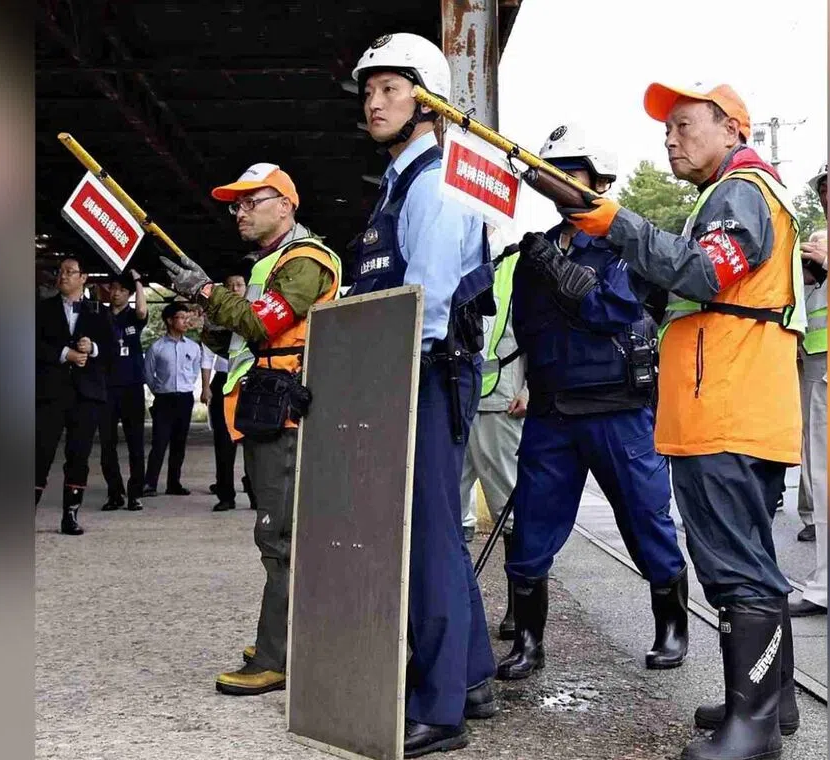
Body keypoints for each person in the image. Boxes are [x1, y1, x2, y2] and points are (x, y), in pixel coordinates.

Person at [560, 83, 807, 760]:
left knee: (733, 567)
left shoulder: (740, 193)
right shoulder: (746, 193)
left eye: (684, 125)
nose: (669, 138)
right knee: (752, 556)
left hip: (722, 406)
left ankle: (751, 729)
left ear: (731, 129)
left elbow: (702, 273)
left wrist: (613, 223)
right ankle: (767, 701)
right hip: (744, 401)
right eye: (666, 129)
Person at [346, 32, 498, 757]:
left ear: (428, 99)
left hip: (425, 371)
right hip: (411, 369)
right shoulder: (399, 181)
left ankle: (439, 709)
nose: (374, 101)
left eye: (390, 88)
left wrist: (381, 383)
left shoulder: (434, 181)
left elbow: (426, 305)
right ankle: (469, 676)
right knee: (432, 528)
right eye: (369, 91)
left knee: (428, 537)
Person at [499, 124, 689, 684]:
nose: (555, 181)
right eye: (549, 171)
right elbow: (526, 327)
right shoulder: (536, 249)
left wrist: (560, 274)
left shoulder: (628, 243)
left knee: (646, 517)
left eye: (569, 172)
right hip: (554, 412)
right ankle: (529, 641)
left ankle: (671, 625)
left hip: (617, 411)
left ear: (598, 181)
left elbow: (614, 311)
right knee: (532, 523)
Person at [162, 162, 341, 697]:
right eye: (235, 204)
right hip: (265, 414)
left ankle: (275, 656)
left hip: (283, 418)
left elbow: (264, 324)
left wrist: (205, 293)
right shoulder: (271, 264)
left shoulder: (305, 262)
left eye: (250, 201)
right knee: (284, 535)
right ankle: (286, 635)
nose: (238, 211)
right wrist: (214, 318)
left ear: (286, 204)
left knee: (278, 536)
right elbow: (248, 341)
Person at [459, 241, 526, 641]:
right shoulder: (459, 255)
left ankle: (521, 611)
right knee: (451, 508)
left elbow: (536, 330)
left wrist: (530, 387)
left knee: (511, 511)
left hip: (501, 403)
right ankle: (458, 601)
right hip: (456, 401)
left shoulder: (514, 264)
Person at [35, 257, 113, 535]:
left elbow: (112, 349)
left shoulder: (98, 311)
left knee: (78, 455)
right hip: (50, 392)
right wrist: (63, 354)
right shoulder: (42, 309)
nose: (64, 276)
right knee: (40, 451)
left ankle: (71, 515)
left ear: (84, 278)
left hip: (86, 394)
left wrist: (92, 348)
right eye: (61, 272)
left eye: (70, 272)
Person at [789, 163, 828, 617]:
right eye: (824, 189)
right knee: (824, 478)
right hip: (820, 365)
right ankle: (826, 585)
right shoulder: (821, 234)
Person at [98, 269, 148, 512]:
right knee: (107, 444)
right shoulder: (100, 316)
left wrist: (138, 281)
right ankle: (114, 493)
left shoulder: (133, 316)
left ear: (128, 294)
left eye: (122, 290)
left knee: (135, 443)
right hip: (106, 388)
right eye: (113, 288)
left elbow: (141, 311)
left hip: (132, 387)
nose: (116, 293)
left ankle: (135, 493)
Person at [142, 302, 201, 497]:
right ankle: (149, 484)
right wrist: (160, 390)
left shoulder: (193, 347)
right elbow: (149, 375)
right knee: (159, 442)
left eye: (187, 318)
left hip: (185, 399)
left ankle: (173, 483)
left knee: (179, 443)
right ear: (169, 320)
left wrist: (185, 387)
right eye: (181, 317)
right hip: (164, 399)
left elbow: (194, 373)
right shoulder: (156, 348)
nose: (186, 321)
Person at [201, 275, 246, 512]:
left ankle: (256, 491)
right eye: (229, 286)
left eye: (239, 284)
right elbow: (208, 352)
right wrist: (205, 385)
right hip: (223, 380)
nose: (234, 289)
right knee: (223, 440)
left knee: (253, 440)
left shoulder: (255, 311)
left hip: (248, 380)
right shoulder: (217, 315)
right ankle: (226, 494)